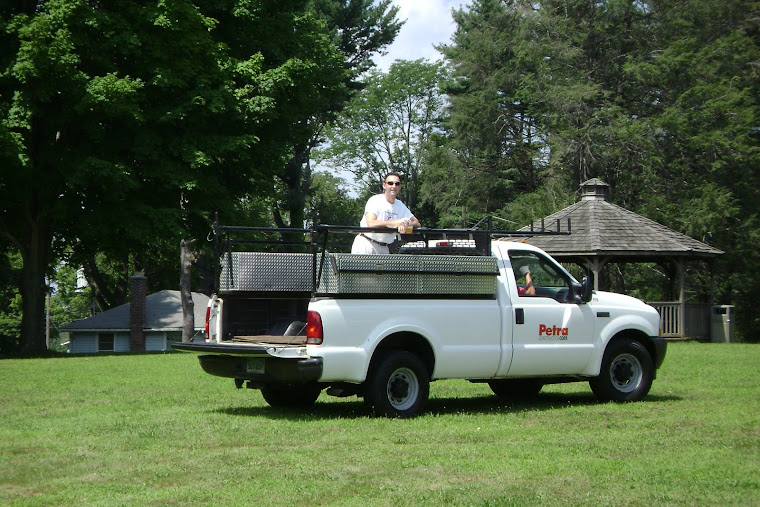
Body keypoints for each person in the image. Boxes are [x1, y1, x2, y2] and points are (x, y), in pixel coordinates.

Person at [351, 172, 421, 254]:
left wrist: (405, 224)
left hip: (384, 247)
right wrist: (396, 223)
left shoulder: (400, 205)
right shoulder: (375, 200)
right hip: (366, 244)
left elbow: (417, 223)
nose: (394, 186)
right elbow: (371, 223)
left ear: (400, 187)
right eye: (390, 183)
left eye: (397, 184)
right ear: (384, 185)